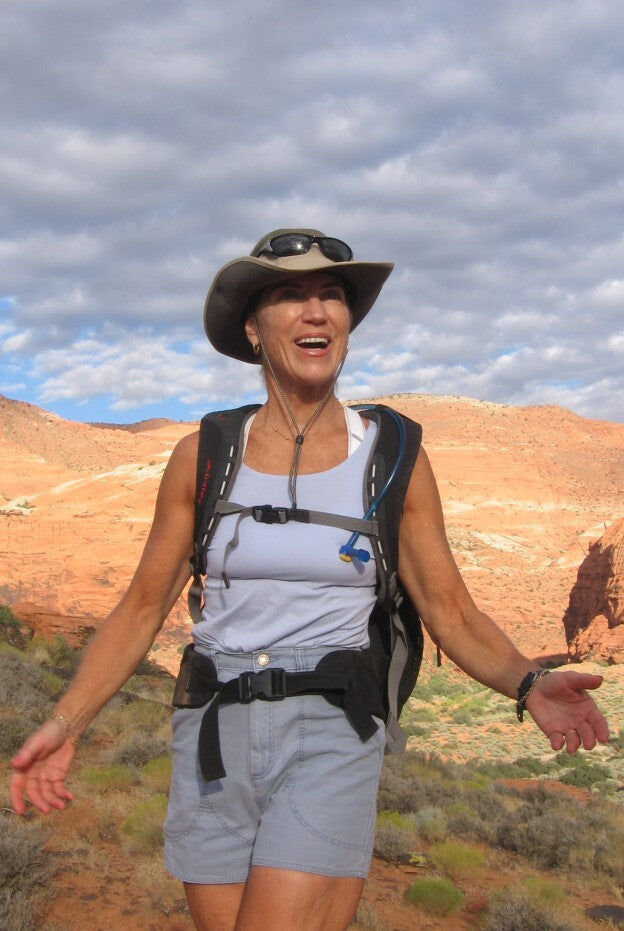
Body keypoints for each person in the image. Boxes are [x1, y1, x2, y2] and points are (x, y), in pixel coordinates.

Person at [10, 228, 609, 931]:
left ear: (350, 325)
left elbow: (450, 608)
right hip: (211, 726)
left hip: (331, 721)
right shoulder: (201, 456)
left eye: (332, 295)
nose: (316, 310)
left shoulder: (392, 457)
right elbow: (141, 608)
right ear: (253, 329)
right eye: (290, 295)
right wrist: (65, 721)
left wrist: (530, 682)